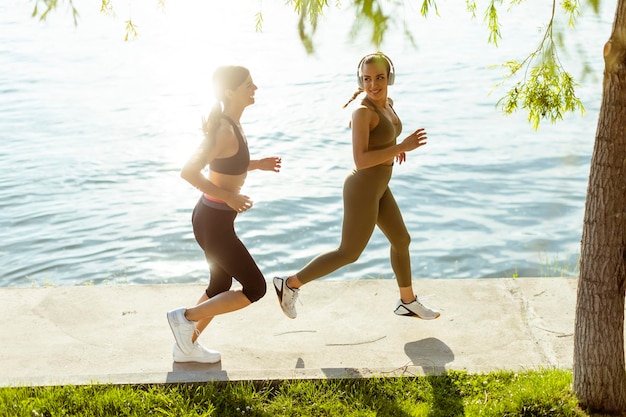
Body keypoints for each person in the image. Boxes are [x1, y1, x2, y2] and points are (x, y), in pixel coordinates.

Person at [273, 52, 439, 320]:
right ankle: (289, 284)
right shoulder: (362, 112)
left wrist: (392, 149)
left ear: (390, 78)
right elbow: (361, 160)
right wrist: (401, 146)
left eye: (380, 78)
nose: (373, 85)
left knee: (401, 240)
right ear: (360, 81)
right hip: (362, 187)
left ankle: (407, 301)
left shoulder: (388, 105)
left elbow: (381, 141)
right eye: (367, 79)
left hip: (380, 186)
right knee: (349, 253)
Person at [167, 65, 281, 363]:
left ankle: (186, 346)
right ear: (229, 92)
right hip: (213, 222)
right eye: (248, 85)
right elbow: (188, 171)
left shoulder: (232, 123)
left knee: (220, 286)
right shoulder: (223, 129)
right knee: (255, 287)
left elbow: (226, 163)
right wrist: (229, 195)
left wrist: (257, 164)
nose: (255, 88)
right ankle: (185, 317)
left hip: (212, 219)